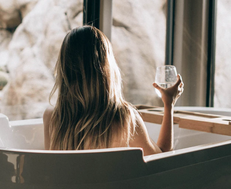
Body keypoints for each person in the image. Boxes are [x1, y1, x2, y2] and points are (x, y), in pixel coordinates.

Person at [43, 26, 183, 155]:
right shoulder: (124, 118)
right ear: (107, 68)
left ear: (64, 69)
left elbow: (52, 168)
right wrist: (168, 104)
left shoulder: (52, 118)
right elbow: (161, 160)